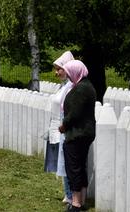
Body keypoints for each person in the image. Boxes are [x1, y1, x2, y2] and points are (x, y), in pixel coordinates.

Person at [58, 60, 96, 212]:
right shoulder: (87, 86)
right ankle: (82, 199)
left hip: (76, 134)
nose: (67, 75)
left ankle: (76, 203)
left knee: (73, 168)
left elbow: (75, 113)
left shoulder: (80, 89)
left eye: (68, 72)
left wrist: (64, 125)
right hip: (85, 133)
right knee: (80, 167)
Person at [44, 51, 74, 204]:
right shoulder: (64, 86)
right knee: (61, 161)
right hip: (57, 126)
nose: (56, 73)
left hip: (64, 126)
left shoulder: (71, 86)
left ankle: (70, 195)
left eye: (59, 69)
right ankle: (67, 193)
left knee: (66, 161)